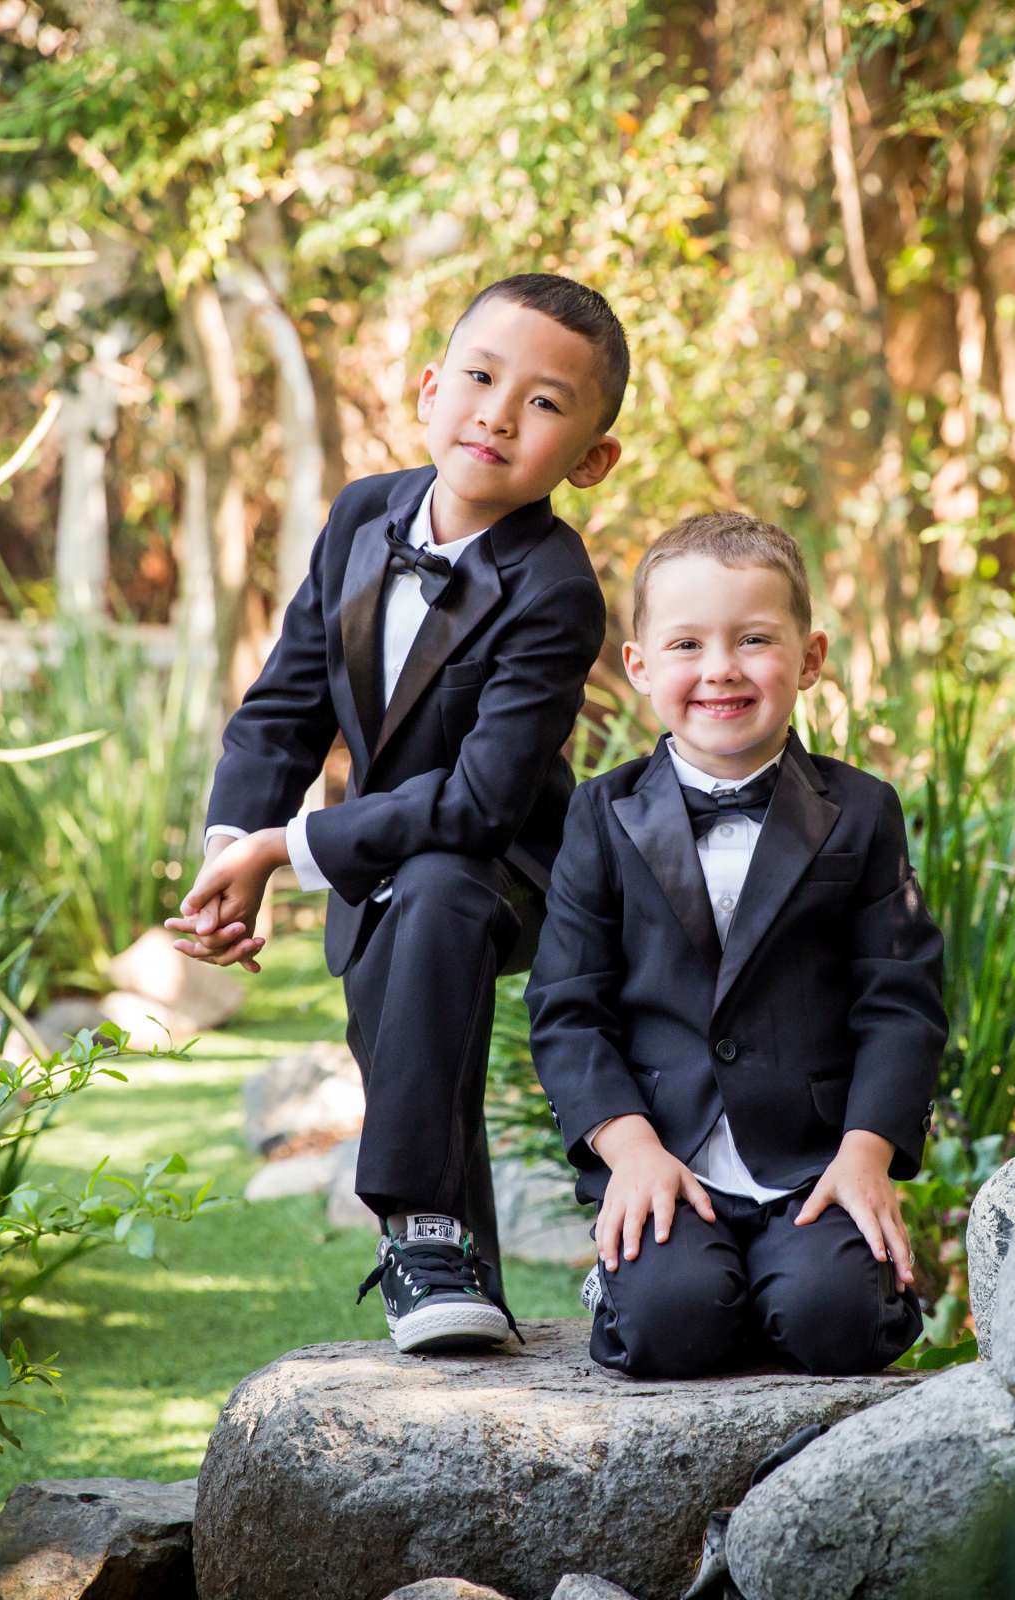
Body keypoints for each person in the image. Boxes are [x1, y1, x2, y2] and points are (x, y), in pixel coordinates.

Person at [169, 274, 627, 1354]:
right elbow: (284, 705)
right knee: (403, 999)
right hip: (384, 860)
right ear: (428, 387)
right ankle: (453, 1270)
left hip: (507, 865)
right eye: (479, 376)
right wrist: (232, 847)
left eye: (546, 403)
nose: (500, 412)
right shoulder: (359, 515)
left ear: (592, 460)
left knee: (432, 892)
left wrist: (295, 848)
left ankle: (431, 1226)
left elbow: (477, 802)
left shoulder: (555, 585)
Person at [526, 511, 944, 1378]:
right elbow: (567, 1008)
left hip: (812, 1166)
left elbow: (899, 999)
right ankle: (644, 1284)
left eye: (753, 639)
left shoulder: (861, 813)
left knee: (834, 1325)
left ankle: (816, 1284)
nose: (719, 669)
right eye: (686, 645)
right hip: (664, 1159)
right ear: (639, 666)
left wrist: (866, 1154)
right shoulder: (601, 816)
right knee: (672, 1327)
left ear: (811, 658)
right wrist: (630, 1148)